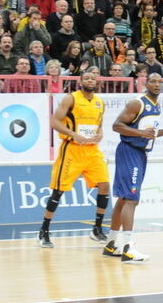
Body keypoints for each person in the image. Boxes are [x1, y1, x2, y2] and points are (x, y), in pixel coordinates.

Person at [104, 74, 163, 262]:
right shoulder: (137, 103)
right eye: (153, 81)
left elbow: (147, 133)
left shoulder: (156, 105)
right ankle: (128, 247)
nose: (157, 84)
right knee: (131, 200)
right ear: (146, 83)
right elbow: (117, 125)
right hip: (130, 151)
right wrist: (140, 133)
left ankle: (111, 244)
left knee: (123, 199)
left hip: (140, 153)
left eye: (160, 82)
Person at [39, 72, 110, 248]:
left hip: (92, 151)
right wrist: (72, 134)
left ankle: (97, 229)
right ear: (81, 82)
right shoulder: (71, 99)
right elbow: (54, 122)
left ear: (96, 82)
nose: (90, 81)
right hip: (72, 150)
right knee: (59, 190)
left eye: (93, 78)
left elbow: (99, 127)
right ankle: (44, 231)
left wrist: (100, 135)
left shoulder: (100, 103)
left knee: (104, 184)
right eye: (87, 78)